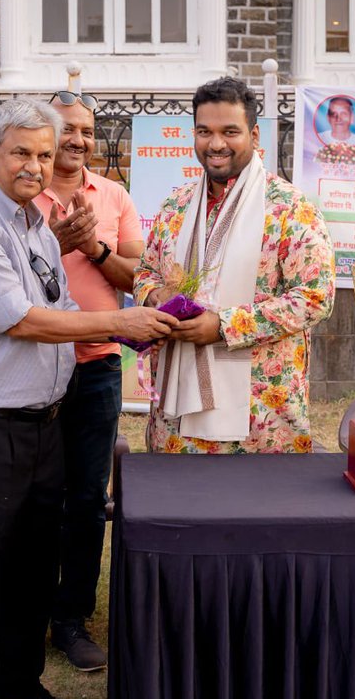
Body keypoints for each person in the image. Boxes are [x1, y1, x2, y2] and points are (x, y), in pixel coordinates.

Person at [0, 97, 178, 699]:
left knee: (35, 566)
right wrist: (119, 325)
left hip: (42, 421)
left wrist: (140, 314)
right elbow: (20, 319)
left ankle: (16, 685)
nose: (35, 165)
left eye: (44, 153)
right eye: (21, 153)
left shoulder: (39, 226)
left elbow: (62, 305)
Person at [134, 76, 335, 454]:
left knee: (257, 510)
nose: (216, 144)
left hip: (260, 415)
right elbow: (145, 271)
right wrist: (156, 295)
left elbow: (315, 297)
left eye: (230, 131)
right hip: (178, 415)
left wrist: (223, 326)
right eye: (204, 131)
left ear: (254, 136)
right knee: (178, 508)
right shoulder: (176, 207)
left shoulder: (290, 208)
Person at [35, 90, 144, 672]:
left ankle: (72, 618)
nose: (77, 139)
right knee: (35, 494)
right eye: (66, 129)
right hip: (32, 365)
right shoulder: (23, 189)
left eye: (86, 130)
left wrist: (92, 245)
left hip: (99, 366)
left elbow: (138, 275)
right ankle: (27, 608)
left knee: (84, 498)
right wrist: (54, 241)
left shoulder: (114, 195)